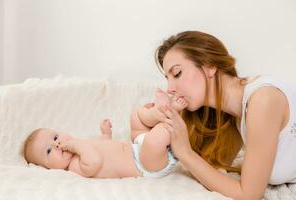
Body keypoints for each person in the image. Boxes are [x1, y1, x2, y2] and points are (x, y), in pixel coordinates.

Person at [155, 30, 296, 199]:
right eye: (168, 78)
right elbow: (212, 171)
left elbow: (249, 195)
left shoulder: (263, 100)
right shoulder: (235, 114)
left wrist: (185, 153)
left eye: (177, 73)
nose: (169, 88)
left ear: (209, 66)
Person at [22, 88, 187, 178]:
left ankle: (158, 112)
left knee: (136, 115)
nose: (56, 144)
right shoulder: (74, 169)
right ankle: (172, 113)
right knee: (153, 141)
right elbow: (95, 160)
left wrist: (105, 134)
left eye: (55, 137)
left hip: (137, 147)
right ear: (48, 168)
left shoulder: (80, 147)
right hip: (147, 165)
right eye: (49, 151)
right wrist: (74, 144)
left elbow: (102, 147)